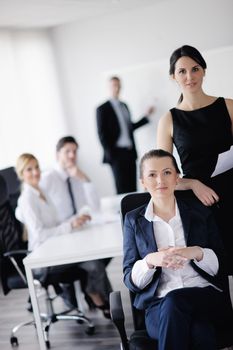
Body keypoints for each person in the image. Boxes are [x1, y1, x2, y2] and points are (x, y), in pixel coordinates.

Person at [123, 149, 233, 350]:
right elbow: (130, 280)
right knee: (200, 332)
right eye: (152, 175)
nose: (160, 180)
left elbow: (224, 264)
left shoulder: (200, 211)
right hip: (159, 308)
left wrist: (197, 252)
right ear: (143, 182)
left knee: (176, 301)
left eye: (167, 172)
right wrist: (151, 260)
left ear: (177, 178)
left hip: (205, 296)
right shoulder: (133, 221)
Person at [156, 45, 233, 273]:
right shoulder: (168, 120)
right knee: (214, 268)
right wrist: (193, 184)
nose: (189, 77)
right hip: (200, 202)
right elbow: (164, 176)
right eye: (182, 71)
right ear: (173, 76)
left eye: (195, 69)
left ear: (203, 71)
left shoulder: (228, 106)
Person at [15, 153, 111, 318]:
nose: (35, 172)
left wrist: (75, 220)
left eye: (36, 167)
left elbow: (56, 223)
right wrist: (69, 226)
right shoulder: (27, 199)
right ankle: (100, 298)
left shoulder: (41, 191)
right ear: (21, 174)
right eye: (29, 169)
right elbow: (40, 234)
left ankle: (103, 298)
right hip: (42, 258)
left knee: (95, 260)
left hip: (55, 249)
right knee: (93, 262)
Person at [96, 76, 155, 194]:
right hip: (116, 155)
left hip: (130, 153)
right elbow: (102, 134)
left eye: (118, 85)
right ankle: (124, 212)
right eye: (114, 85)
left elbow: (130, 128)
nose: (116, 88)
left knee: (133, 188)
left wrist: (146, 116)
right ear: (109, 88)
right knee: (122, 189)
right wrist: (111, 155)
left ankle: (133, 212)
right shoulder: (102, 108)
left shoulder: (124, 106)